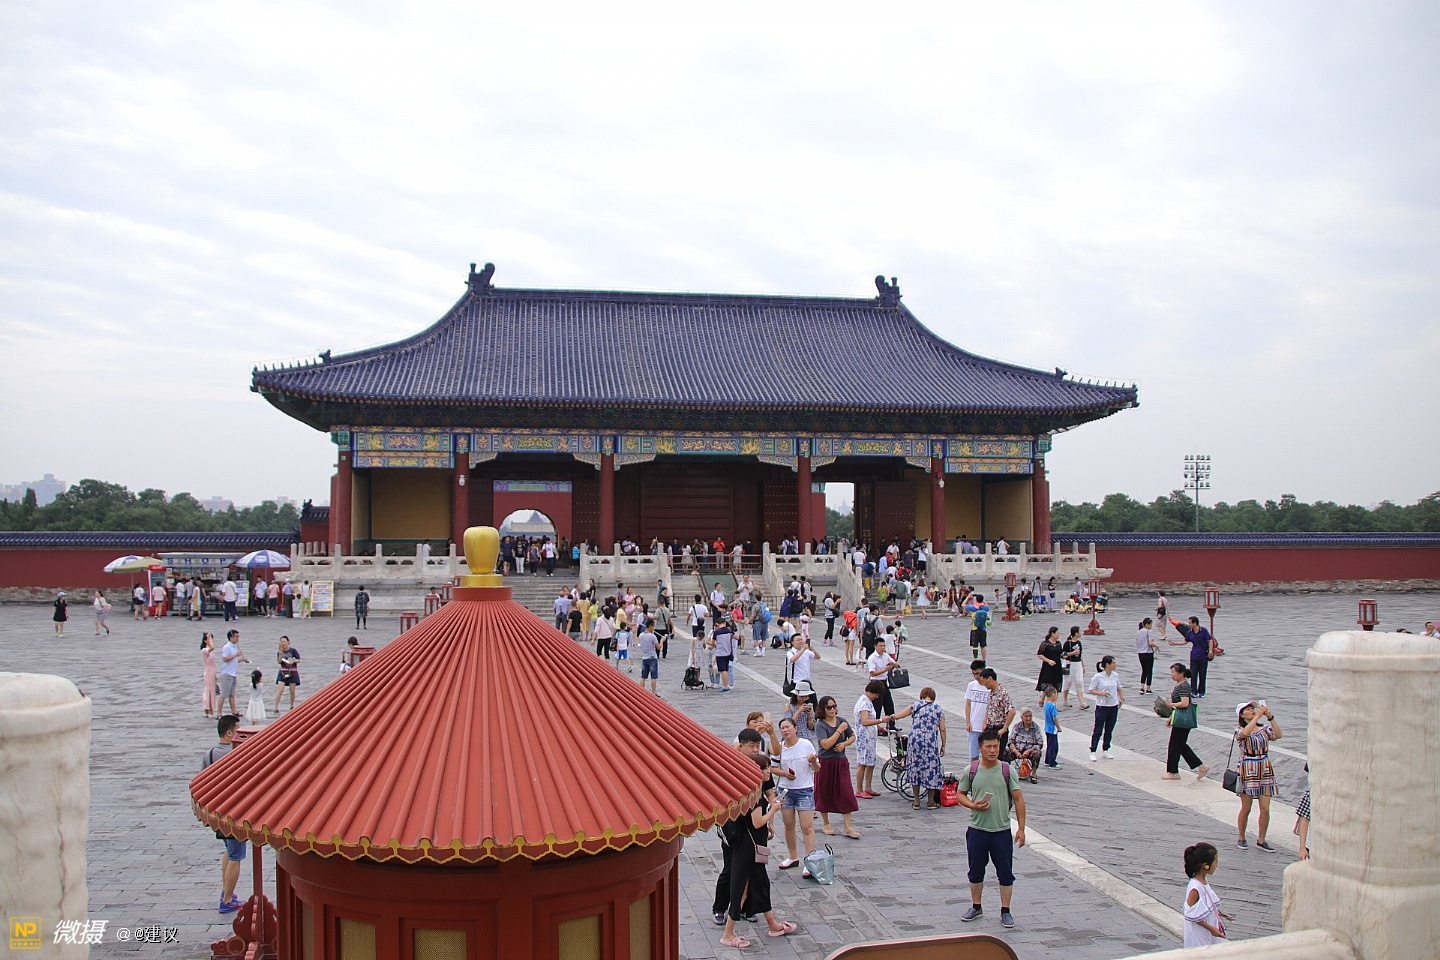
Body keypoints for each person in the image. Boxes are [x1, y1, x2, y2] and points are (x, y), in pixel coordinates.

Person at [718, 753, 797, 947]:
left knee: (761, 883)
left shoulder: (748, 790)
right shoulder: (754, 795)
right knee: (739, 888)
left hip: (751, 846)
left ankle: (773, 925)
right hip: (749, 848)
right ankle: (728, 934)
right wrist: (773, 810)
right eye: (764, 768)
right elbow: (757, 822)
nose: (767, 771)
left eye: (768, 767)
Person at [956, 730, 1027, 928]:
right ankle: (976, 906)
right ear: (980, 749)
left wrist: (1021, 829)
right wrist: (973, 805)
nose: (993, 750)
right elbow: (960, 794)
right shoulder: (971, 771)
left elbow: (1019, 799)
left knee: (1005, 872)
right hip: (977, 830)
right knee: (975, 870)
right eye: (988, 747)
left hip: (1001, 831)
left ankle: (1005, 910)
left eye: (995, 746)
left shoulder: (1007, 770)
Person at [201, 715, 246, 914]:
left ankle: (226, 891)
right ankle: (227, 900)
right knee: (236, 855)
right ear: (229, 733)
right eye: (238, 730)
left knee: (229, 850)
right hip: (235, 812)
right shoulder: (237, 753)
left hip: (218, 811)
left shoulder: (210, 754)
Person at [775, 717, 821, 876]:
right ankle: (792, 856)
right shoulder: (779, 747)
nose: (785, 730)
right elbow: (772, 767)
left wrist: (813, 761)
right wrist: (784, 774)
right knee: (788, 824)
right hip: (786, 790)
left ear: (795, 729)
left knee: (807, 826)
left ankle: (809, 860)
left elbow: (816, 768)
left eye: (787, 727)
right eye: (782, 728)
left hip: (804, 789)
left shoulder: (805, 744)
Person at [1234, 701, 1283, 851]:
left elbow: (1278, 735)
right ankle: (1241, 836)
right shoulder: (1239, 729)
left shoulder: (1264, 729)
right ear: (1242, 715)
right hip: (1248, 768)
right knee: (1246, 807)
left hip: (1264, 767)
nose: (1252, 711)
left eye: (1252, 709)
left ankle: (1261, 839)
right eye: (1248, 709)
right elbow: (1244, 734)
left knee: (1265, 808)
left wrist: (1270, 717)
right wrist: (1257, 717)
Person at [813, 695, 862, 839]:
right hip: (826, 762)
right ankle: (826, 823)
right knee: (824, 791)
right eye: (829, 707)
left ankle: (848, 826)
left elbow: (852, 736)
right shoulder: (820, 725)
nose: (832, 709)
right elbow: (826, 744)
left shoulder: (842, 721)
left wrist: (844, 744)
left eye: (834, 706)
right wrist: (839, 731)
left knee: (846, 792)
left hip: (840, 761)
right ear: (823, 709)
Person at [891, 687, 947, 809]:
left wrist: (891, 717)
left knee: (915, 767)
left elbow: (899, 715)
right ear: (933, 697)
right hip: (930, 743)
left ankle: (916, 801)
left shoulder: (915, 705)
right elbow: (942, 729)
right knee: (931, 769)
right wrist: (943, 745)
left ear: (922, 695)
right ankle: (930, 802)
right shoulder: (938, 709)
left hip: (915, 741)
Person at [1162, 663, 1208, 781]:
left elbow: (1185, 703)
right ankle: (1201, 766)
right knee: (1180, 745)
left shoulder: (1183, 686)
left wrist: (1171, 704)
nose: (1172, 675)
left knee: (1175, 746)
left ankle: (1173, 772)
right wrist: (1171, 717)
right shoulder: (1180, 685)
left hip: (1183, 720)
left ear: (1181, 674)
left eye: (1174, 672)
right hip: (1179, 717)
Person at [1182, 842, 1230, 946]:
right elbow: (1190, 914)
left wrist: (1218, 913)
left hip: (1207, 931)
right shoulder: (1195, 888)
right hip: (1199, 935)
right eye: (1215, 862)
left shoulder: (1203, 882)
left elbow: (1204, 904)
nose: (1217, 865)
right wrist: (1211, 929)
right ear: (1206, 866)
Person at [852, 680, 886, 798]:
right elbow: (865, 721)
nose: (877, 697)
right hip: (864, 737)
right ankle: (859, 789)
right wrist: (881, 720)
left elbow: (870, 719)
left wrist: (879, 727)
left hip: (870, 737)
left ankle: (868, 787)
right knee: (863, 763)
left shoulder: (868, 702)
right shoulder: (864, 703)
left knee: (871, 763)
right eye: (876, 694)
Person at [1087, 656, 1124, 760]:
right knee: (1098, 729)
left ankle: (1106, 749)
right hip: (1102, 706)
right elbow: (1091, 690)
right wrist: (1101, 693)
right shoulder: (1098, 677)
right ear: (1107, 665)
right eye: (1113, 663)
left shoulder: (1115, 675)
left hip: (1113, 706)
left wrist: (1122, 698)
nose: (1115, 665)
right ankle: (1093, 750)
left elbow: (1119, 688)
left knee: (1109, 729)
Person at [1170, 616, 1214, 698]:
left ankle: (1201, 691)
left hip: (1203, 655)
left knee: (1202, 674)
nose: (1189, 624)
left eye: (1190, 623)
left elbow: (1210, 640)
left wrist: (1210, 651)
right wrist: (1175, 643)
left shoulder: (1203, 630)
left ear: (1195, 623)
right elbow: (1185, 641)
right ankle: (1193, 691)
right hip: (1194, 655)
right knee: (1193, 674)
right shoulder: (1190, 632)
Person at [980, 669, 1015, 758]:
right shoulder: (991, 693)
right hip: (989, 727)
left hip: (999, 728)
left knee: (997, 755)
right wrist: (985, 722)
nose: (984, 685)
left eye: (984, 681)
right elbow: (989, 709)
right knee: (986, 754)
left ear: (990, 678)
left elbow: (1012, 711)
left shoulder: (1003, 693)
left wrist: (1004, 728)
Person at [1007, 710, 1043, 784]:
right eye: (1026, 716)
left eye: (1030, 716)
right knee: (1006, 752)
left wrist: (1029, 751)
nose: (1028, 718)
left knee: (1037, 753)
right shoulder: (1017, 726)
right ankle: (1007, 773)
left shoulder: (1036, 727)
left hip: (1030, 750)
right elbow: (1011, 741)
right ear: (1021, 717)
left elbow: (1040, 743)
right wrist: (1016, 751)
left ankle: (1033, 774)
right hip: (1017, 748)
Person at [965, 660, 991, 759]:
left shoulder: (989, 687)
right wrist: (968, 722)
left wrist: (986, 721)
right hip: (973, 725)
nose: (976, 676)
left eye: (978, 673)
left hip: (986, 726)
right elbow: (968, 704)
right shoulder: (971, 685)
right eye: (974, 674)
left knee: (987, 756)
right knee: (974, 756)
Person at [217, 630, 245, 715]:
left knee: (232, 694)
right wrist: (236, 655)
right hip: (227, 674)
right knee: (224, 694)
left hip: (233, 673)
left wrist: (241, 660)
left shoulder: (234, 647)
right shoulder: (227, 647)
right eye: (236, 636)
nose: (238, 638)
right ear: (231, 637)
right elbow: (225, 659)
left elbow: (233, 661)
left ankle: (234, 711)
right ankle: (219, 713)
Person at [1035, 627, 1063, 708]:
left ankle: (1054, 704)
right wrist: (1048, 661)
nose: (1058, 635)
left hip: (1057, 666)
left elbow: (1060, 653)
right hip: (1048, 667)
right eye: (1057, 633)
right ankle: (1044, 698)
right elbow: (1039, 654)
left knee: (1056, 684)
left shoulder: (1058, 643)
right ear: (1052, 634)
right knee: (1048, 684)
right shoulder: (1045, 643)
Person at [1061, 626, 1088, 709]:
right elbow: (1063, 655)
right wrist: (1073, 653)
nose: (1081, 632)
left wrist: (1083, 666)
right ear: (1076, 633)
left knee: (1079, 682)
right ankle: (1065, 700)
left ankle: (1082, 702)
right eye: (1080, 631)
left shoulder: (1079, 643)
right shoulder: (1067, 643)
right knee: (1067, 682)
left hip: (1078, 663)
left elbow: (1081, 655)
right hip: (1069, 663)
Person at [274, 636, 301, 712]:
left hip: (292, 672)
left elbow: (298, 659)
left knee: (292, 691)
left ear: (288, 642)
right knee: (280, 690)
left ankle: (291, 706)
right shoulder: (280, 652)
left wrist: (292, 661)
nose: (283, 644)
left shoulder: (293, 651)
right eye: (281, 642)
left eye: (284, 642)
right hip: (283, 672)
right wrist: (280, 653)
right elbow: (279, 662)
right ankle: (276, 707)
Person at [711, 616, 735, 691]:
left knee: (723, 670)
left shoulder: (716, 632)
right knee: (726, 669)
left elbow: (712, 643)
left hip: (720, 653)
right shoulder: (729, 630)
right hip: (728, 652)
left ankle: (725, 686)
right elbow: (736, 637)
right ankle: (727, 684)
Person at [637, 618, 660, 694]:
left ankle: (641, 691)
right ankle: (653, 692)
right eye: (653, 626)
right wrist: (662, 641)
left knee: (643, 676)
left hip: (644, 657)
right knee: (653, 676)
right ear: (650, 626)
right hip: (652, 657)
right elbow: (658, 647)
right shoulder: (652, 636)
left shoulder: (641, 635)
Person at [1041, 685, 1062, 769]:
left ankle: (1047, 760)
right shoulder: (1052, 706)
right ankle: (1052, 762)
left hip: (1047, 728)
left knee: (1049, 745)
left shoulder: (1046, 704)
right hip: (1052, 729)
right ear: (1053, 694)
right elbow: (1054, 717)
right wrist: (1058, 726)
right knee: (1054, 746)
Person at [1136, 617, 1157, 694]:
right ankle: (1148, 688)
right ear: (1147, 624)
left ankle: (1141, 687)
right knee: (1149, 670)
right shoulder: (1149, 631)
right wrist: (1157, 646)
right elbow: (1151, 643)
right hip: (1148, 652)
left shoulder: (1138, 632)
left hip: (1140, 653)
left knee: (1144, 670)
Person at [967, 594, 990, 661]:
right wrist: (983, 600)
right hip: (983, 628)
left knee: (975, 645)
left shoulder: (973, 608)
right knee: (983, 646)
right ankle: (984, 660)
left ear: (976, 600)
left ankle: (976, 659)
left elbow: (963, 605)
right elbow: (987, 605)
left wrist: (968, 598)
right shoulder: (985, 608)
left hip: (975, 628)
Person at [201, 633, 218, 717]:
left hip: (212, 672)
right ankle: (207, 709)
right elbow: (212, 647)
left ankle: (211, 710)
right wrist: (209, 637)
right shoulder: (204, 650)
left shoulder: (210, 651)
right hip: (208, 672)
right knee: (208, 691)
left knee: (212, 691)